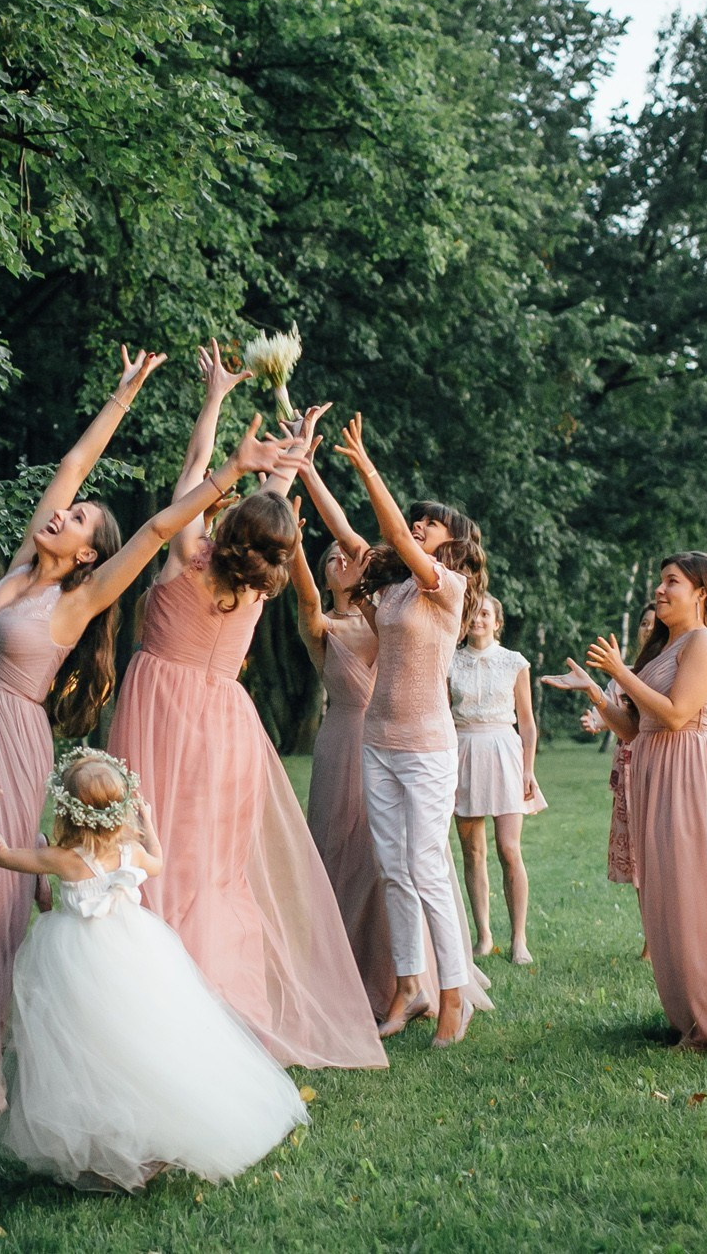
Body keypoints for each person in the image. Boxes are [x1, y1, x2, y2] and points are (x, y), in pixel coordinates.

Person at [0, 344, 299, 1120]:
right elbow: (72, 462)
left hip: (8, 741)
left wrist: (230, 471)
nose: (65, 512)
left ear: (89, 552)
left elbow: (155, 530)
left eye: (82, 517)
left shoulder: (79, 600)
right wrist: (122, 396)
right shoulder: (23, 561)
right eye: (72, 508)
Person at [107, 355, 384, 1070]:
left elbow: (197, 465)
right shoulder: (260, 584)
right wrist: (293, 447)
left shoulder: (186, 555)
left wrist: (214, 398)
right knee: (215, 870)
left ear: (227, 526)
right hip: (228, 729)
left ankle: (155, 1012)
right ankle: (228, 1008)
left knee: (157, 860)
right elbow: (273, 500)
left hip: (161, 715)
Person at [0, 750, 308, 1193]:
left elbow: (1, 854)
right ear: (121, 811)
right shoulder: (132, 853)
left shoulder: (64, 859)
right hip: (136, 949)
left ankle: (103, 1146)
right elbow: (159, 862)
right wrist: (147, 825)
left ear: (68, 812)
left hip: (77, 960)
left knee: (86, 1048)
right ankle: (147, 1138)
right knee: (144, 1035)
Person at [558, 553, 707, 1048]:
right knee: (666, 895)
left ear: (701, 593)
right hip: (654, 773)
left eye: (672, 581)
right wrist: (597, 693)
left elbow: (676, 714)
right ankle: (689, 1013)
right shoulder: (665, 648)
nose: (660, 590)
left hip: (691, 774)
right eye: (660, 580)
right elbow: (634, 729)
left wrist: (620, 672)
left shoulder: (705, 643)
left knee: (696, 893)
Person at [325, 414, 493, 1046]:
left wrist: (367, 465)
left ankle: (453, 995)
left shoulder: (448, 587)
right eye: (416, 519)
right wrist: (310, 468)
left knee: (425, 868)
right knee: (392, 869)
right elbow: (350, 538)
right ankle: (408, 987)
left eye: (430, 522)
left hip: (427, 748)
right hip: (377, 743)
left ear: (454, 540)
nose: (417, 525)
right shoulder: (395, 589)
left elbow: (392, 530)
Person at [289, 465, 436, 1021]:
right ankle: (337, 977)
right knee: (337, 852)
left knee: (387, 857)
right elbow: (306, 600)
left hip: (391, 739)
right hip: (340, 744)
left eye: (344, 555)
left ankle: (401, 976)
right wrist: (294, 546)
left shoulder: (390, 617)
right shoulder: (322, 628)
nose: (338, 559)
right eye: (328, 558)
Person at [545, 603, 655, 960]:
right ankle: (652, 936)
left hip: (656, 762)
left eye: (654, 623)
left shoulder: (663, 669)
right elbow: (610, 709)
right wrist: (595, 720)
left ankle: (663, 936)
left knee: (658, 853)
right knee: (638, 857)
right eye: (643, 622)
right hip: (628, 770)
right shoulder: (623, 674)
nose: (647, 628)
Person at [449, 594, 545, 965]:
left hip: (505, 751)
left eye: (485, 613)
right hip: (463, 751)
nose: (478, 619)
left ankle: (519, 939)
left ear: (497, 622)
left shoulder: (514, 662)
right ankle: (484, 935)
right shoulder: (450, 661)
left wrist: (528, 769)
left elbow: (528, 723)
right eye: (472, 613)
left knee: (509, 848)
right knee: (472, 850)